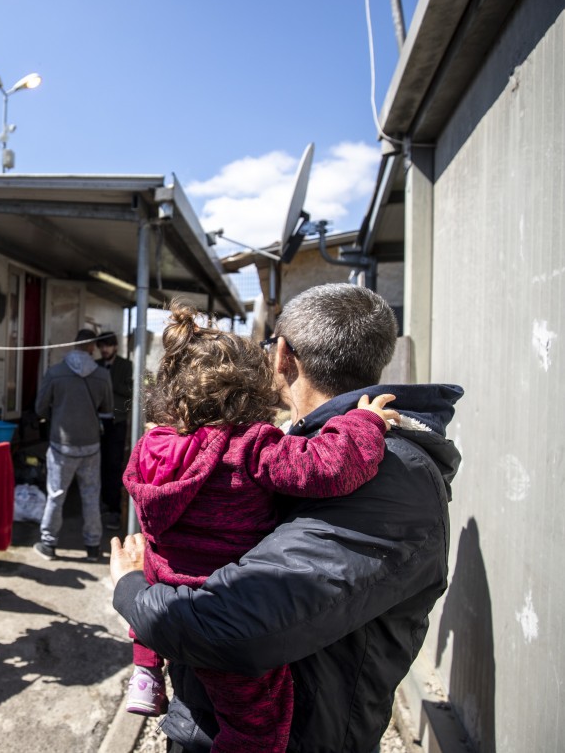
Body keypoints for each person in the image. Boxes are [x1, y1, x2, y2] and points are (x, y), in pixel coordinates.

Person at [110, 283, 463, 753]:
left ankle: (146, 673)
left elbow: (230, 628)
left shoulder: (392, 475)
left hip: (300, 735)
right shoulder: (291, 445)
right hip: (210, 714)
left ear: (282, 356)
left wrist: (131, 587)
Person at [33, 328, 114, 562]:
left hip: (61, 446)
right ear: (92, 348)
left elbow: (40, 408)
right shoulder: (102, 375)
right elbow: (107, 411)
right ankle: (92, 547)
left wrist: (58, 412)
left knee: (56, 494)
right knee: (91, 495)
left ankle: (48, 544)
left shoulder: (55, 372)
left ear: (74, 345)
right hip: (91, 445)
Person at [96, 332, 133, 530]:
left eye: (108, 346)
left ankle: (114, 507)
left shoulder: (125, 365)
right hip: (97, 420)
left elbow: (130, 391)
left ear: (115, 347)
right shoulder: (95, 364)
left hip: (117, 420)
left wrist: (107, 380)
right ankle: (102, 502)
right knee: (98, 463)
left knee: (114, 463)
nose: (104, 350)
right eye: (102, 346)